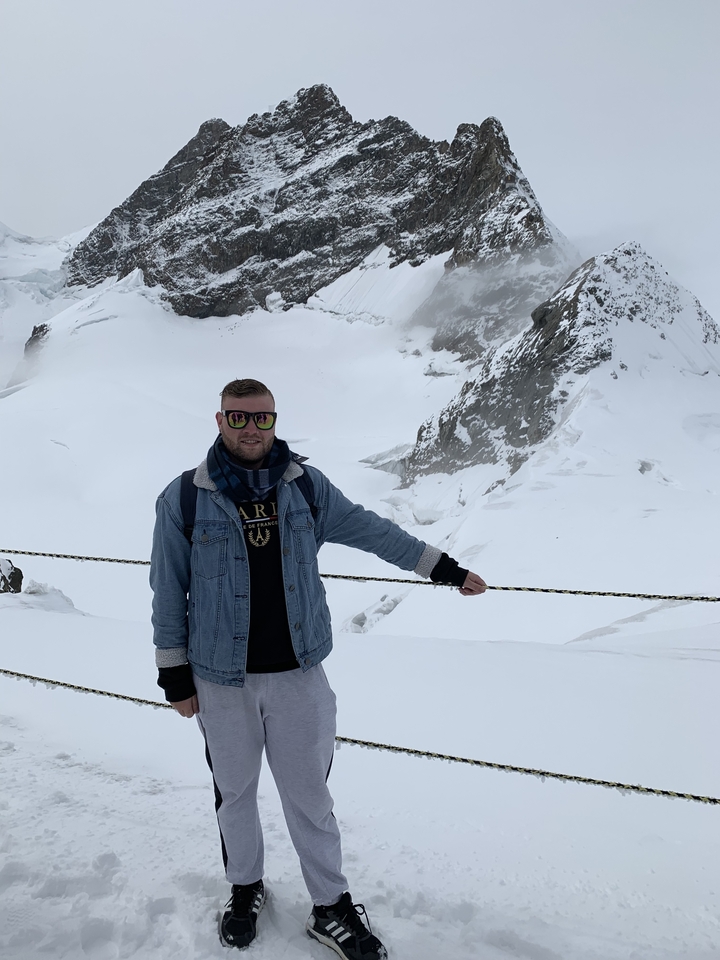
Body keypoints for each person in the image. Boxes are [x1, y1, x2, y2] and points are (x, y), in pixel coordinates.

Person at [150, 378, 486, 959]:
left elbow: (372, 530)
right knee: (235, 794)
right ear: (218, 419)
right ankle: (244, 888)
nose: (250, 429)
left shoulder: (306, 488)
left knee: (309, 797)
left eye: (261, 418)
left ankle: (330, 905)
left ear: (275, 421)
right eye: (238, 418)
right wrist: (174, 675)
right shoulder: (183, 498)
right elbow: (166, 590)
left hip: (300, 675)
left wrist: (444, 569)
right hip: (218, 680)